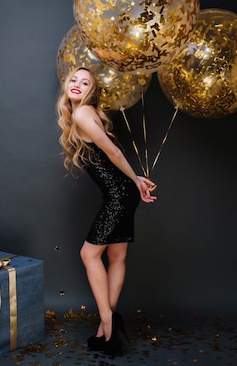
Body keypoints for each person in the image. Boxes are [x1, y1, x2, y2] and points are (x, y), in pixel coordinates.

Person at [56, 67, 157, 355]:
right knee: (116, 257)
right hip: (121, 194)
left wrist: (136, 180)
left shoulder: (82, 114)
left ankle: (108, 323)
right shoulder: (82, 115)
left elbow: (113, 152)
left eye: (85, 82)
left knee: (89, 255)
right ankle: (106, 329)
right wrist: (133, 185)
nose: (77, 84)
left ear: (91, 91)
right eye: (74, 79)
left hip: (118, 194)